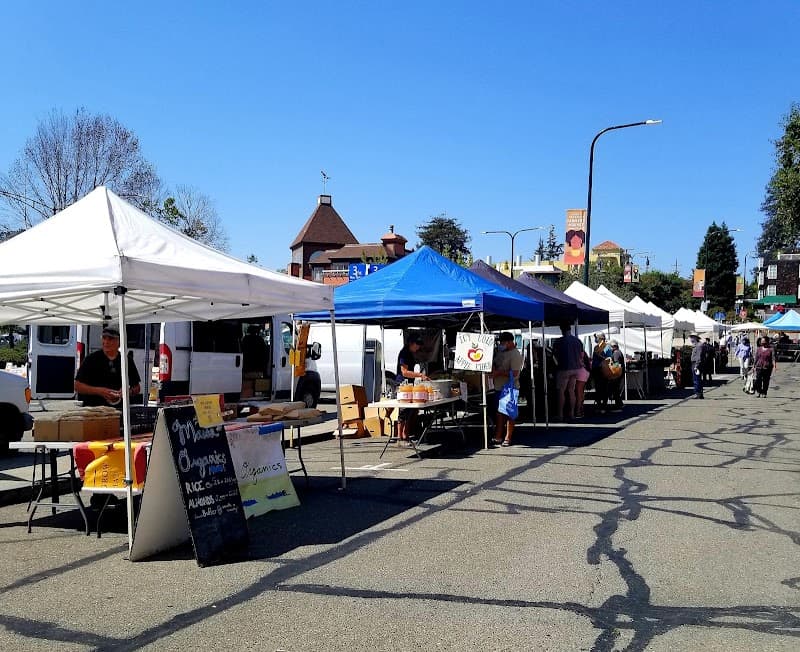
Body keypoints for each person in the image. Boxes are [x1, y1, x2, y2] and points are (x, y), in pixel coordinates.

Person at [75, 326, 141, 408]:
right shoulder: (91, 359)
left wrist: (128, 392)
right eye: (104, 338)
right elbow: (77, 386)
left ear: (119, 341)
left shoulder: (127, 360)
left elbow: (137, 387)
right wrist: (100, 391)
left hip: (118, 410)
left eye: (110, 339)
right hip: (93, 410)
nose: (106, 342)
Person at [490, 332, 523, 447]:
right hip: (498, 387)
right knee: (499, 413)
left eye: (503, 342)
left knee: (509, 413)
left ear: (509, 342)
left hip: (510, 387)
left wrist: (498, 373)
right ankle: (498, 435)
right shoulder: (501, 352)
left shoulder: (515, 354)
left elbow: (514, 373)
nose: (501, 344)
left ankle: (508, 437)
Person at [395, 334, 429, 445]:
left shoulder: (410, 353)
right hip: (402, 384)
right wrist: (419, 375)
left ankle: (406, 434)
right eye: (417, 344)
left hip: (409, 385)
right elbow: (404, 372)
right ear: (411, 343)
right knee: (404, 410)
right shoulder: (404, 354)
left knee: (411, 410)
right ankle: (400, 437)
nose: (418, 347)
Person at [553, 322, 585, 420]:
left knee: (561, 391)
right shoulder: (578, 341)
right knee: (571, 391)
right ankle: (572, 413)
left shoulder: (558, 341)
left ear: (561, 330)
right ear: (570, 329)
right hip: (576, 368)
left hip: (564, 368)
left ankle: (561, 414)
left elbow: (554, 355)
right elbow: (581, 355)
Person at [591, 332, 612, 413]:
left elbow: (609, 359)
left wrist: (599, 356)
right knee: (598, 388)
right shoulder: (596, 347)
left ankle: (603, 406)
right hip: (597, 370)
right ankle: (600, 405)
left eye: (596, 337)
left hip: (603, 370)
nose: (595, 339)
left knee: (603, 388)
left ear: (600, 338)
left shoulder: (607, 347)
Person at [607, 340, 625, 410]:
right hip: (619, 373)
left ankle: (619, 405)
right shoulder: (618, 352)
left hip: (617, 374)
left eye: (610, 347)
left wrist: (610, 365)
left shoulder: (616, 353)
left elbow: (617, 364)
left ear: (613, 347)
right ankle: (619, 403)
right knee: (616, 389)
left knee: (615, 389)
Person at [689, 333, 704, 399]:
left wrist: (696, 365)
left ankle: (698, 393)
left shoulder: (698, 346)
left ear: (695, 338)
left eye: (692, 337)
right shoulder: (696, 345)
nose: (691, 339)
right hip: (695, 363)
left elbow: (698, 356)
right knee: (697, 379)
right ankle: (699, 393)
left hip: (696, 363)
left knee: (696, 379)